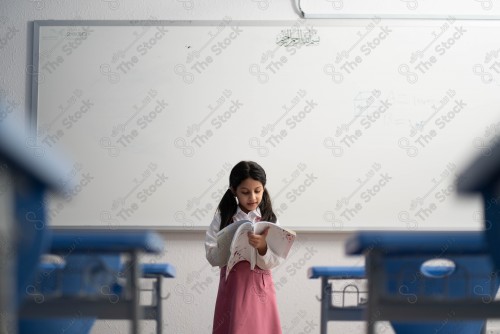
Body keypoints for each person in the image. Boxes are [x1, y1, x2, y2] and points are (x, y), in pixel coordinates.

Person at [205, 161, 282, 334]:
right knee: (234, 327)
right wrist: (229, 243)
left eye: (257, 191)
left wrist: (262, 247)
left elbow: (275, 259)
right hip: (233, 286)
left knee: (260, 328)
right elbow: (211, 255)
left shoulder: (269, 219)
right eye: (245, 192)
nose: (252, 197)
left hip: (261, 288)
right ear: (234, 191)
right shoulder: (223, 218)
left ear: (264, 188)